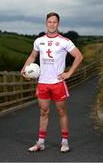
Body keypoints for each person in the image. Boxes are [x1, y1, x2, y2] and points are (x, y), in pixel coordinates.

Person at [21, 12, 83, 153]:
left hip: (58, 83)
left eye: (55, 22)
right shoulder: (39, 41)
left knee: (61, 111)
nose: (52, 24)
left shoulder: (64, 41)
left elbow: (79, 56)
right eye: (50, 22)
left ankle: (65, 142)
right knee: (44, 112)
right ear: (46, 23)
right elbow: (32, 56)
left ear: (58, 24)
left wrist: (69, 72)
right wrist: (24, 69)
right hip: (42, 82)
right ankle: (40, 143)